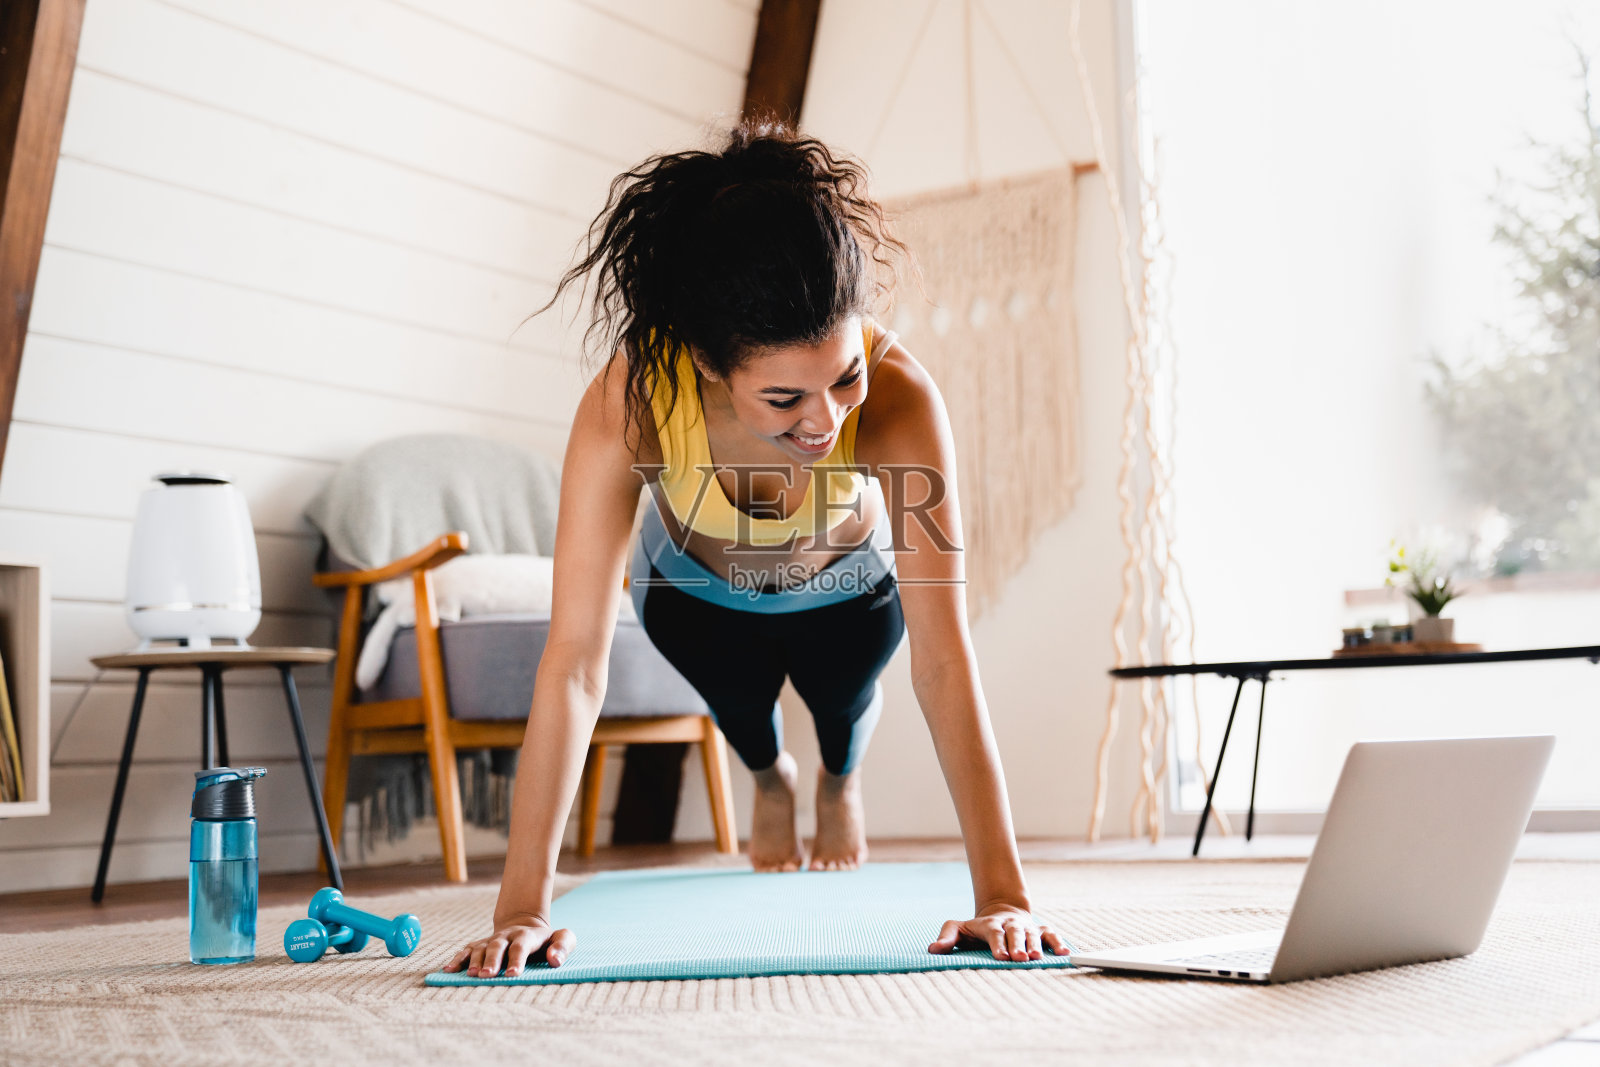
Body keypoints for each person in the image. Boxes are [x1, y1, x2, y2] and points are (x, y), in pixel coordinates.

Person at [446, 119, 1067, 979]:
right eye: (784, 397)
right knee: (742, 711)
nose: (825, 420)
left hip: (848, 596)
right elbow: (576, 666)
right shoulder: (631, 401)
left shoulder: (902, 402)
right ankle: (769, 772)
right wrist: (520, 909)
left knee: (844, 705)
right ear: (706, 359)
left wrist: (1005, 896)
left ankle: (836, 774)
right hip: (699, 600)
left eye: (843, 377)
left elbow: (944, 658)